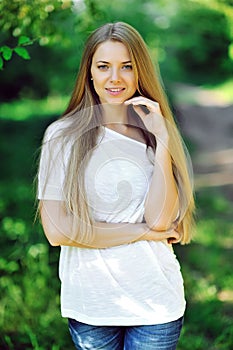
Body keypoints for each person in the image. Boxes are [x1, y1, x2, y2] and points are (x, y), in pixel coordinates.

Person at [37, 22, 195, 350]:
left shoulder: (153, 136)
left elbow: (161, 222)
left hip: (156, 302)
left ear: (140, 72)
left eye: (126, 67)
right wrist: (144, 233)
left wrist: (163, 140)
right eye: (104, 66)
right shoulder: (62, 136)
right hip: (92, 303)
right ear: (89, 73)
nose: (115, 78)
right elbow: (58, 232)